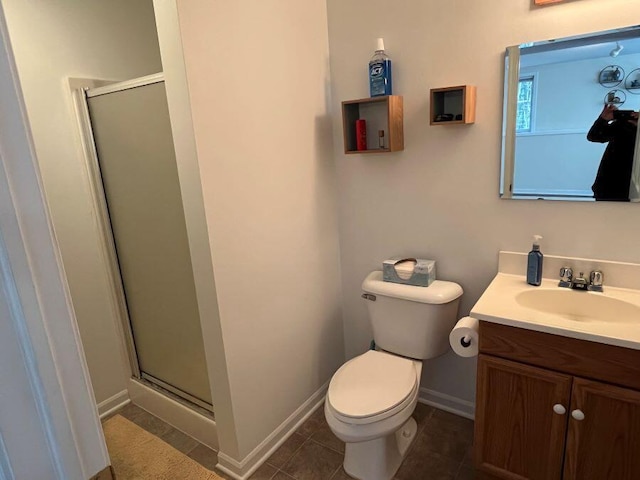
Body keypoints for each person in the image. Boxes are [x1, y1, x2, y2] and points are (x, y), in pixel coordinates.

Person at [587, 104, 639, 201]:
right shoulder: (626, 124)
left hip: (634, 192)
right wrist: (603, 119)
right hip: (609, 187)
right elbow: (594, 136)